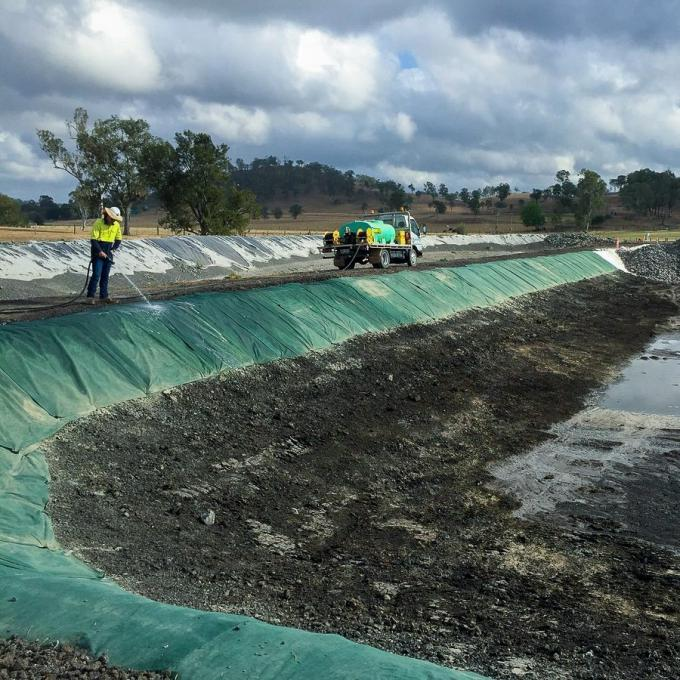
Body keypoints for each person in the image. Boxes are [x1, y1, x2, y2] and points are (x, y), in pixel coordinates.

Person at [86, 206, 123, 304]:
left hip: (108, 251)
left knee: (105, 275)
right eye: (112, 218)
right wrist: (100, 251)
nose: (114, 221)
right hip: (97, 250)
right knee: (96, 274)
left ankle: (104, 296)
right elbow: (93, 240)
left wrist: (114, 248)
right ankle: (90, 296)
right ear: (107, 216)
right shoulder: (98, 222)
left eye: (115, 219)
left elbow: (118, 239)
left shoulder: (116, 225)